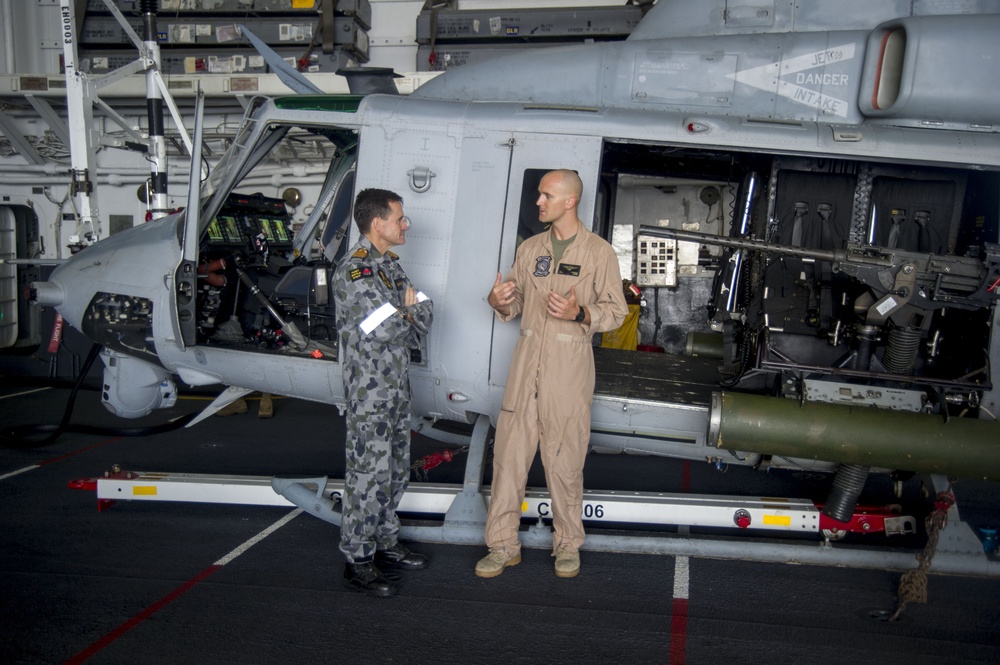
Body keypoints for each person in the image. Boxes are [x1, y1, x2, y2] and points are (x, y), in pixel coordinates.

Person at [477, 169, 628, 579]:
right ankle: (502, 545)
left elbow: (617, 311)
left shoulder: (599, 253)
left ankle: (567, 546)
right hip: (525, 366)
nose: (539, 202)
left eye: (546, 195)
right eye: (539, 195)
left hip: (569, 369)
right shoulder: (530, 249)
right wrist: (497, 301)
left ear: (569, 201)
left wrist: (580, 313)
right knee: (509, 459)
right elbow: (514, 303)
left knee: (564, 460)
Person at [332, 188, 433, 597]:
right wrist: (408, 313)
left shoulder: (389, 266)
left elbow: (425, 312)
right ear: (378, 224)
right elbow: (392, 328)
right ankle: (357, 558)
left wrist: (407, 312)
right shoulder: (353, 272)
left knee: (393, 469)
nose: (405, 224)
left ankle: (385, 542)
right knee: (366, 475)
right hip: (370, 393)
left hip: (395, 388)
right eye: (400, 218)